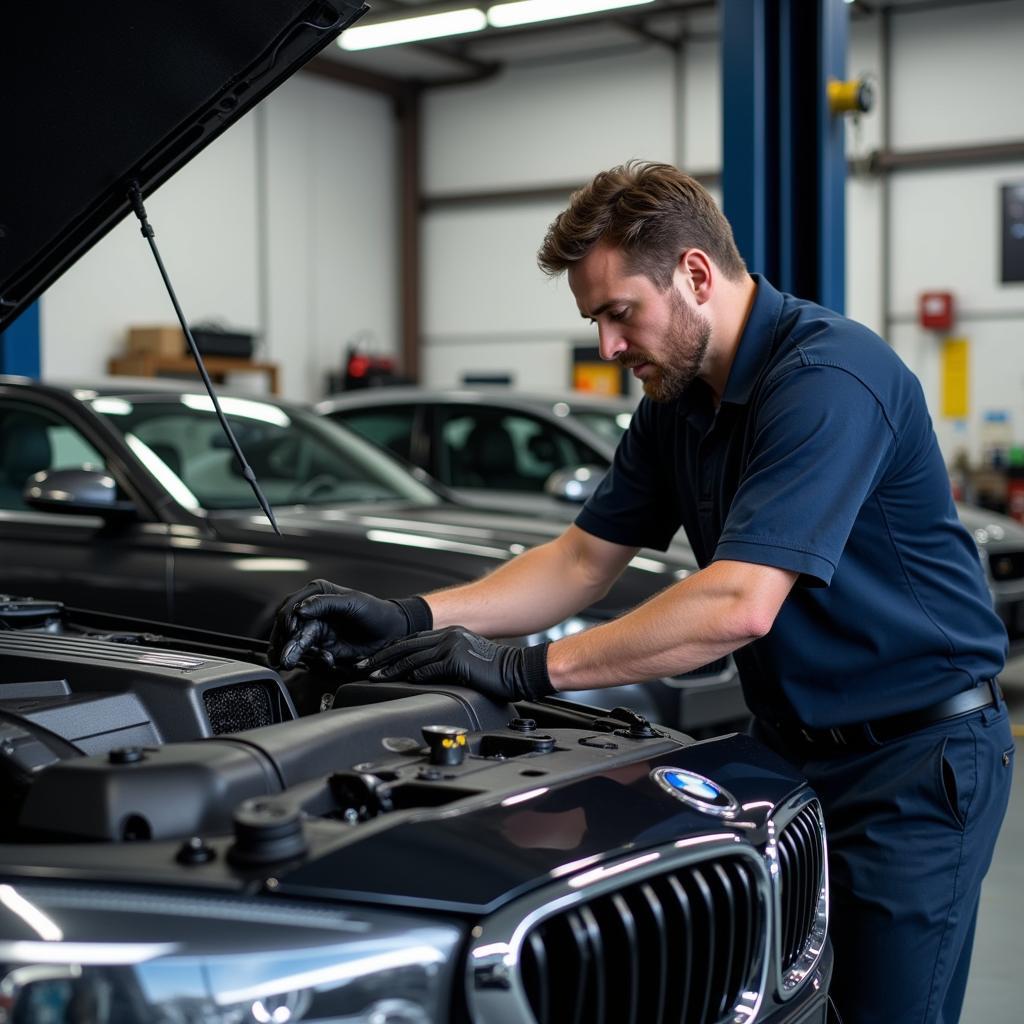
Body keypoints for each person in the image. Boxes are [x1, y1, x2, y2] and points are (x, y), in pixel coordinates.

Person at [270, 161, 1013, 1024]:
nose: (607, 348)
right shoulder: (677, 400)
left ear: (696, 274)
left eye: (619, 313)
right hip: (789, 751)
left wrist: (521, 671)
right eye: (595, 321)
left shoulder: (829, 378)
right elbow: (582, 560)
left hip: (914, 766)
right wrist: (410, 616)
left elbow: (738, 602)